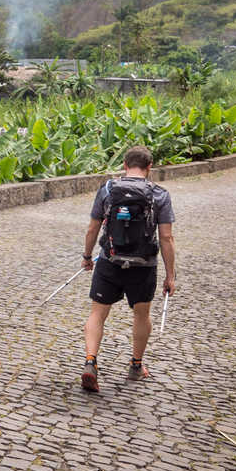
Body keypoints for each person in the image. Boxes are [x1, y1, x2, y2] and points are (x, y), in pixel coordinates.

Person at [80, 145, 176, 392]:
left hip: (110, 261)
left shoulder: (109, 190)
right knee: (141, 315)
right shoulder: (160, 195)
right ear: (149, 167)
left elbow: (92, 228)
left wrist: (88, 256)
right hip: (143, 266)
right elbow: (166, 238)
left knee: (97, 313)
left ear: (124, 165)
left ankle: (91, 362)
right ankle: (135, 366)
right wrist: (170, 275)